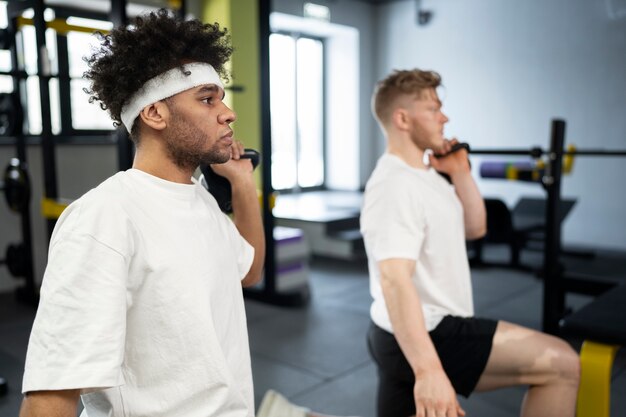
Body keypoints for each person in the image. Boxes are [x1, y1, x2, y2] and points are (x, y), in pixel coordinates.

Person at [19, 9, 265, 417]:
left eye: (221, 97)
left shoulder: (199, 198)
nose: (228, 112)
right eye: (207, 98)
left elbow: (250, 270)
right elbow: (50, 399)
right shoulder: (104, 218)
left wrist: (241, 183)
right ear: (154, 114)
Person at [360, 69, 581, 417]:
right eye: (433, 109)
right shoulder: (394, 184)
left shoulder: (428, 175)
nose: (444, 117)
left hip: (402, 331)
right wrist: (429, 371)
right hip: (429, 330)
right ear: (402, 119)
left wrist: (460, 171)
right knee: (563, 364)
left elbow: (475, 229)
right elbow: (393, 278)